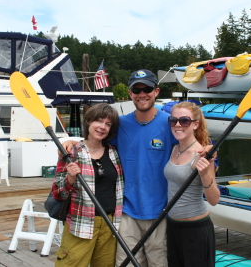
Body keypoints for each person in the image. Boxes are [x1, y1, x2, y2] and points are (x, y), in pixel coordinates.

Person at [61, 70, 214, 266]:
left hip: (161, 212)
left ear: (156, 91)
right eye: (137, 89)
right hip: (127, 213)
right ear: (130, 93)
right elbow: (97, 141)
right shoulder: (120, 124)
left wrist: (210, 151)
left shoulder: (170, 122)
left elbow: (194, 143)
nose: (142, 94)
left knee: (158, 263)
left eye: (147, 88)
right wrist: (73, 142)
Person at [52, 103, 123, 267]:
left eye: (108, 124)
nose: (102, 127)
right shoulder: (72, 152)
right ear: (89, 122)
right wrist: (70, 178)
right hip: (80, 223)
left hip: (109, 224)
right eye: (99, 121)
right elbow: (57, 193)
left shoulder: (114, 152)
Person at [164, 101, 220, 267]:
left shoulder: (202, 154)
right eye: (173, 121)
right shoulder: (174, 148)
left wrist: (204, 175)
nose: (178, 125)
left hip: (195, 230)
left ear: (195, 124)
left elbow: (214, 200)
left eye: (185, 121)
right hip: (172, 226)